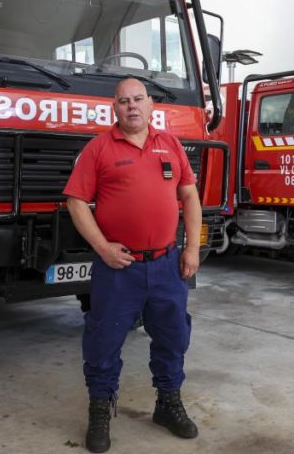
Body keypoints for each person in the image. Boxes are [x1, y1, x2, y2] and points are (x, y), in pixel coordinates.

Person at [63, 77, 202, 453]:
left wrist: (192, 248)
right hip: (118, 268)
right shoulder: (99, 149)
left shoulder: (170, 144)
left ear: (150, 104)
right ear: (115, 108)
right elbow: (76, 200)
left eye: (138, 99)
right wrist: (102, 247)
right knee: (103, 341)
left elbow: (189, 196)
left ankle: (167, 403)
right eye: (124, 101)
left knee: (173, 337)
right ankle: (100, 410)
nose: (132, 106)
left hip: (166, 265)